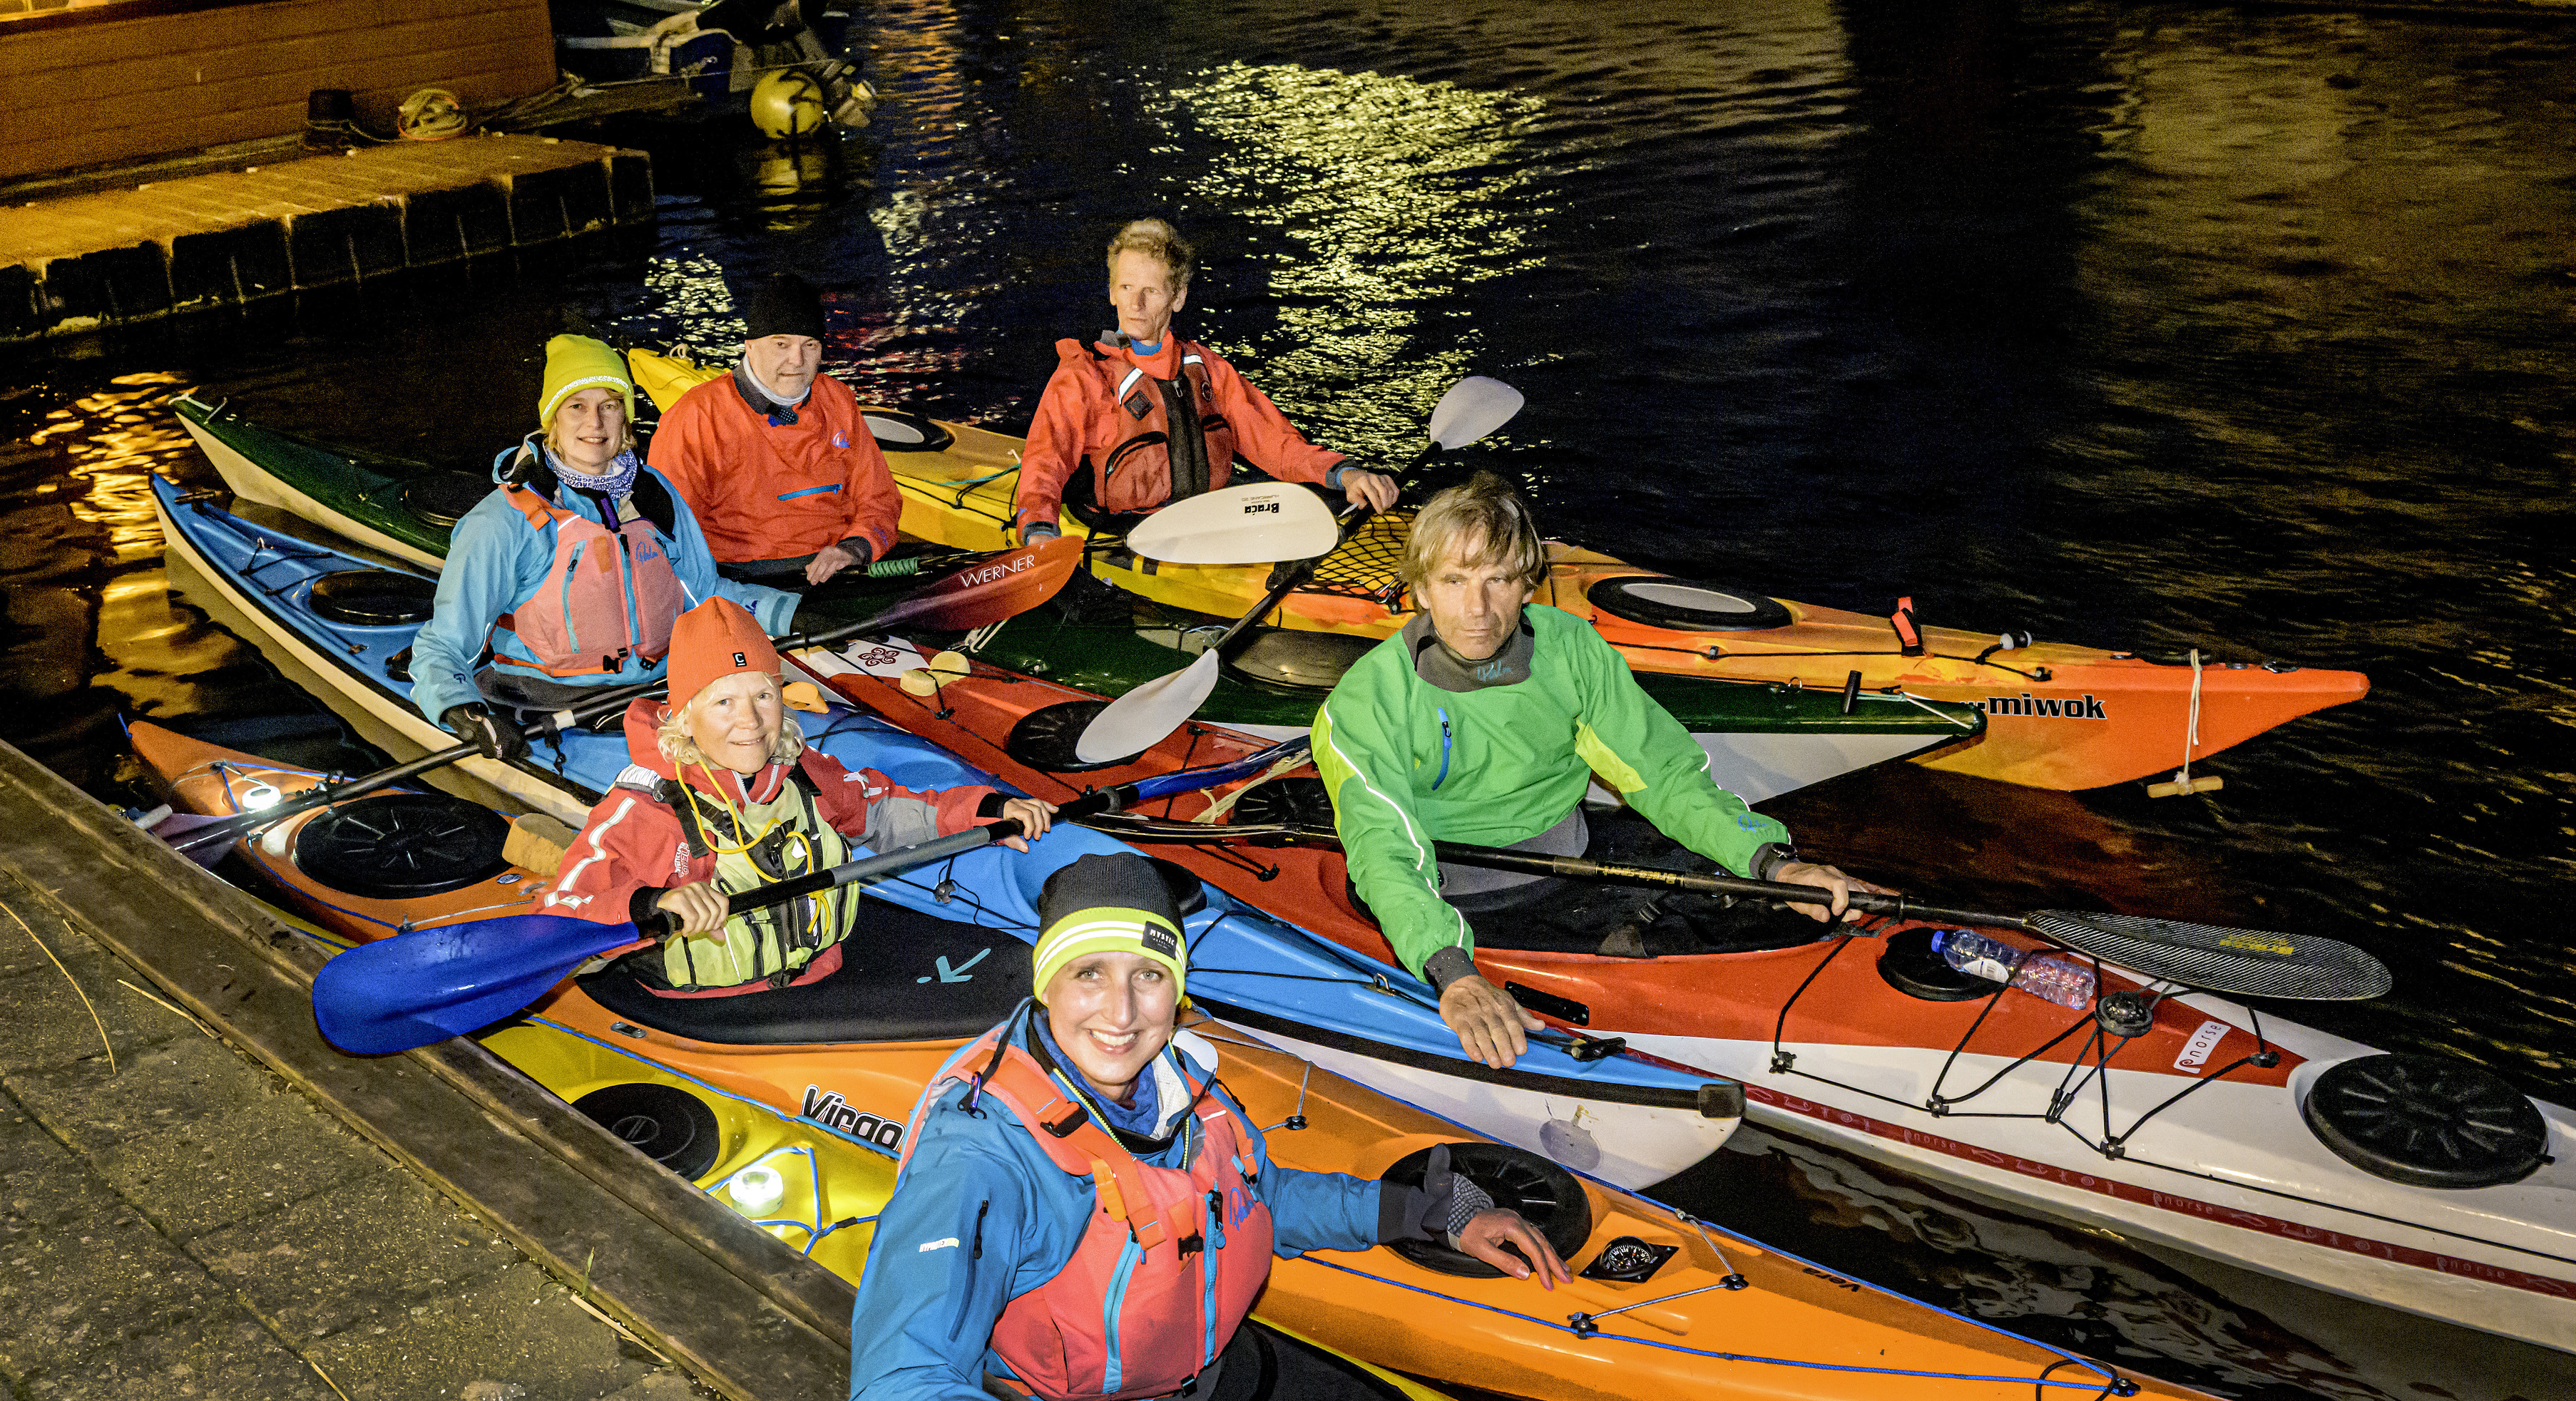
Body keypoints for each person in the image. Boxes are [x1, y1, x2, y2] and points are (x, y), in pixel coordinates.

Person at [849, 853, 1570, 1401]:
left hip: (1210, 1370)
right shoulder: (982, 1153)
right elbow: (901, 1377)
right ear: (1047, 985)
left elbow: (1258, 1197)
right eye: (1089, 974)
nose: (1122, 1013)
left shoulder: (1182, 1087)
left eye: (1149, 976)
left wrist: (1424, 1213)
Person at [1310, 473, 1876, 1069]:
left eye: (1498, 579)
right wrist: (1452, 972)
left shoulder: (1573, 648)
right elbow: (1384, 850)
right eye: (1454, 581)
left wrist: (1773, 864)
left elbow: (1663, 775)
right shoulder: (1366, 700)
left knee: (1752, 899)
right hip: (1454, 903)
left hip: (1572, 862)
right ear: (1422, 591)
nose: (1478, 610)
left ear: (1528, 586)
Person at [538, 597, 1053, 991]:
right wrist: (653, 901)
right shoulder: (646, 808)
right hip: (713, 1009)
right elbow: (562, 910)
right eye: (723, 702)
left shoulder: (799, 770)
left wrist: (988, 810)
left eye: (764, 695)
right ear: (683, 717)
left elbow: (879, 807)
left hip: (821, 968)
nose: (750, 721)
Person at [409, 335, 797, 771]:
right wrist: (462, 711)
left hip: (666, 689)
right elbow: (443, 644)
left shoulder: (654, 494)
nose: (595, 422)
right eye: (576, 405)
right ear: (552, 419)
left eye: (610, 404)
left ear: (626, 417)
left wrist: (792, 615)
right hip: (551, 706)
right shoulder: (503, 522)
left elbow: (708, 597)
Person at [1011, 218, 1400, 545]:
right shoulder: (1086, 377)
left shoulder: (1209, 371)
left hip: (1206, 526)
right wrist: (1039, 531)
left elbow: (1276, 445)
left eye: (1151, 290)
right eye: (1126, 287)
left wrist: (1344, 473)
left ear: (1178, 297)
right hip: (1121, 534)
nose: (1136, 304)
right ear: (1112, 291)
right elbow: (1045, 463)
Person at [649, 272, 904, 587]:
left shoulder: (837, 398)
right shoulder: (697, 416)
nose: (796, 360)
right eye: (781, 344)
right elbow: (670, 531)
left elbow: (879, 498)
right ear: (750, 347)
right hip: (745, 581)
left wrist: (854, 548)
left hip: (838, 569)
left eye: (809, 345)